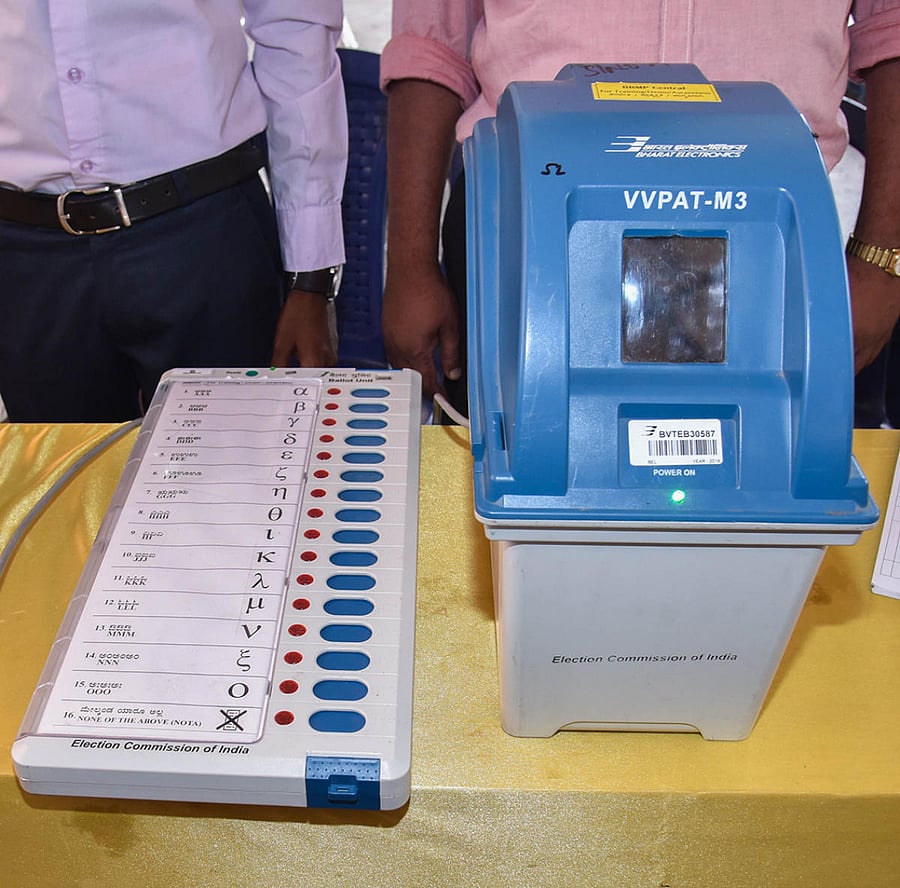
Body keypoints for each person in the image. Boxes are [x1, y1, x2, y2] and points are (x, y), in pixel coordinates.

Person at [379, 1, 900, 416]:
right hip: (526, 224)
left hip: (771, 222)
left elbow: (891, 28)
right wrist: (408, 263)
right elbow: (431, 43)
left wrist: (883, 259)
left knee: (773, 475)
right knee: (522, 476)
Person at [0, 2, 347, 422]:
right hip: (24, 255)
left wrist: (311, 274)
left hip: (205, 233)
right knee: (61, 464)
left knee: (233, 458)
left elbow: (295, 27)